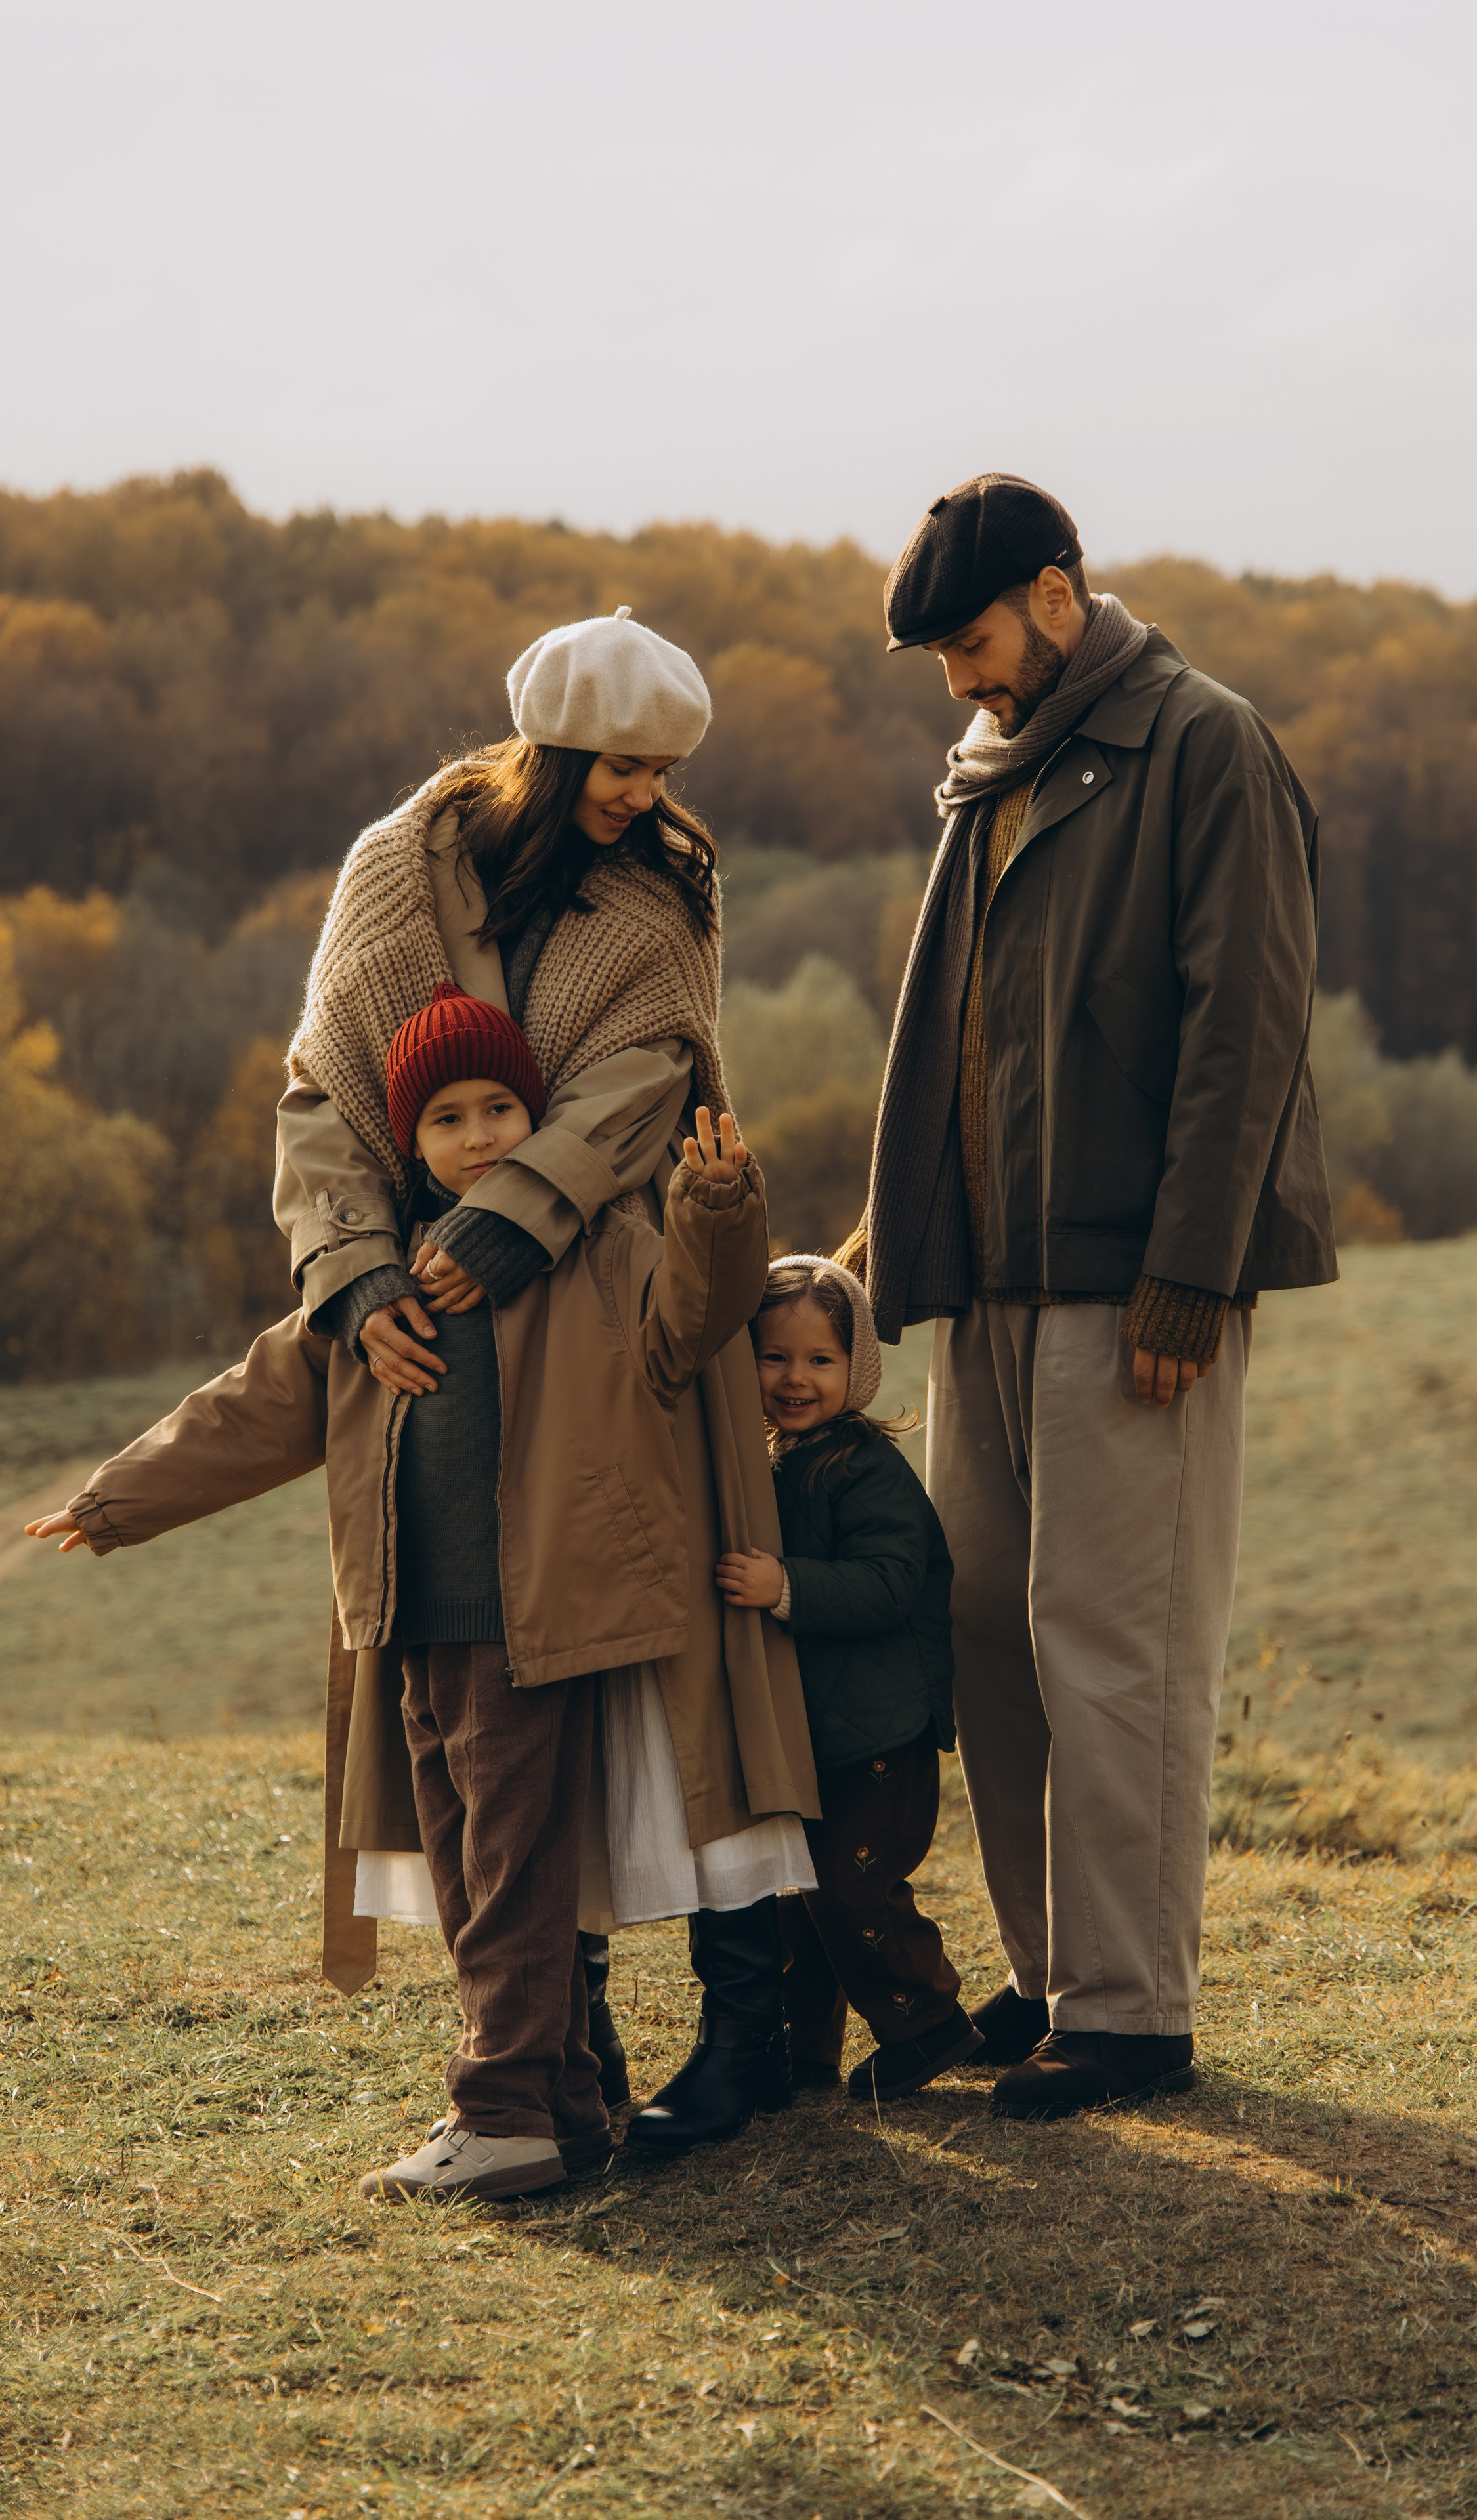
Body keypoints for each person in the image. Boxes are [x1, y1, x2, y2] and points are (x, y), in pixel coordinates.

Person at [26, 995, 769, 2202]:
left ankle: (504, 2109)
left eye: (502, 1110)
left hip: (534, 1620)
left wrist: (721, 1209)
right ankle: (570, 2109)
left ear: (538, 1117)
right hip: (415, 1625)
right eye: (449, 1117)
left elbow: (697, 1317)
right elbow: (256, 1406)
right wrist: (116, 1500)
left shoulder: (594, 1246)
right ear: (406, 1141)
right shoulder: (375, 1284)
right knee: (475, 1870)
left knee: (515, 1873)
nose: (481, 1137)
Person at [276, 608, 822, 2155]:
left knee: (664, 1695)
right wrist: (362, 1274)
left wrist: (512, 1226)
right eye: (619, 765)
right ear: (552, 745)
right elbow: (324, 1090)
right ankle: (558, 2057)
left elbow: (647, 1080)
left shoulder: (661, 895)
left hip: (613, 1321)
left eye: (663, 770)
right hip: (432, 1344)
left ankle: (734, 2038)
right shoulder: (396, 866)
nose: (642, 793)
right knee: (493, 1699)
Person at [838, 474, 1337, 2121]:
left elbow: (1245, 1029)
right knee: (989, 1631)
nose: (963, 682)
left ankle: (1132, 2014)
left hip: (1136, 1284)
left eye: (974, 642)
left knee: (1111, 1644)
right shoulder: (988, 777)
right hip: (987, 1285)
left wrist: (1189, 1270)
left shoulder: (1206, 744)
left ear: (1057, 596)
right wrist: (882, 1241)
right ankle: (1054, 1980)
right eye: (942, 660)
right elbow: (959, 1039)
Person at [716, 1255, 978, 2101]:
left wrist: (785, 1586)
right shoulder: (770, 1457)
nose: (796, 1379)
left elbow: (891, 1580)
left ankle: (930, 2024)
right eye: (774, 1356)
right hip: (817, 1731)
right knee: (799, 1898)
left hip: (878, 1734)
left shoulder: (862, 1467)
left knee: (851, 1888)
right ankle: (805, 2057)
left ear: (856, 1369)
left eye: (820, 1361)